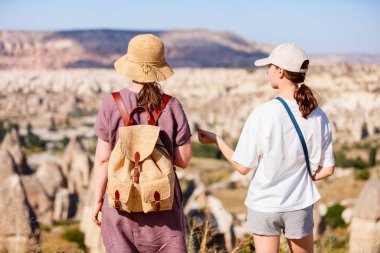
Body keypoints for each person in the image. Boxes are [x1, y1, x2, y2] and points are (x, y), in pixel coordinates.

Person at [197, 43, 335, 253]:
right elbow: (328, 169)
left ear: (280, 71)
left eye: (269, 67)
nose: (267, 72)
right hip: (299, 203)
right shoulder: (318, 115)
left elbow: (243, 167)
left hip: (264, 205)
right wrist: (299, 177)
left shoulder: (264, 113)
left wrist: (217, 140)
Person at [92, 34, 192, 253]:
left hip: (121, 200)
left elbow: (102, 159)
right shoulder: (172, 105)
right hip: (161, 202)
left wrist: (98, 199)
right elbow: (183, 161)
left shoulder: (112, 103)